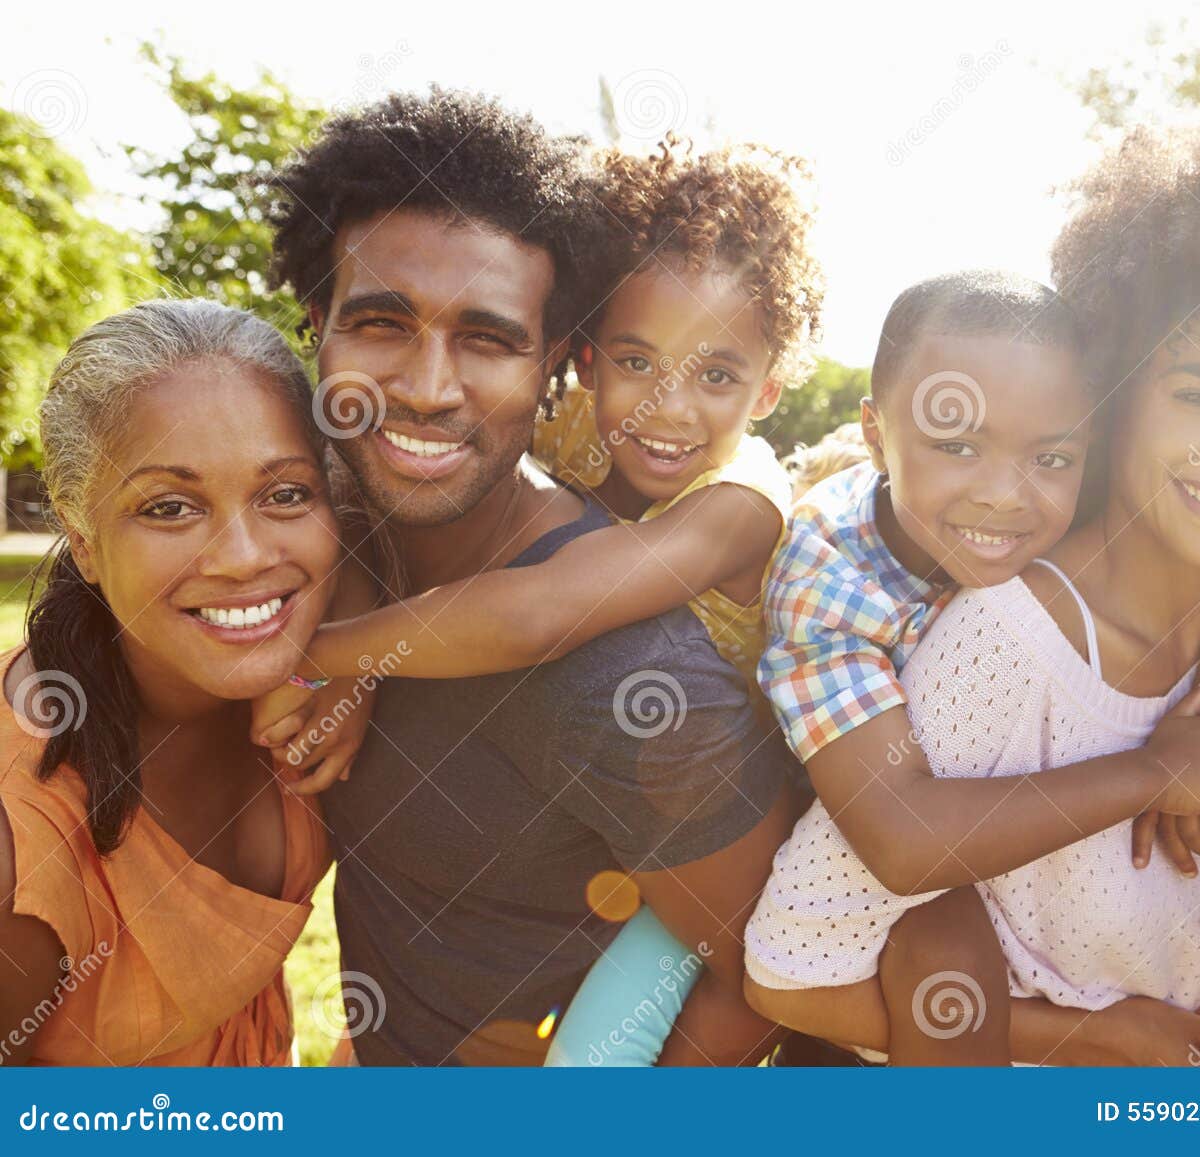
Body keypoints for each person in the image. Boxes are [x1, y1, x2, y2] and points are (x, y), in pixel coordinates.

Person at [266, 89, 802, 1067]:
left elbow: (762, 969)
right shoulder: (339, 510)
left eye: (488, 338)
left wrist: (317, 658)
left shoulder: (652, 646)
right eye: (381, 322)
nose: (429, 387)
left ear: (549, 360)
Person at [742, 255, 1200, 1065]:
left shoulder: (1084, 524)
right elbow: (898, 840)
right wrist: (1155, 774)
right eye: (957, 445)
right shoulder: (833, 588)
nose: (1007, 495)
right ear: (874, 434)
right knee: (932, 946)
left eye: (1051, 459)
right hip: (807, 827)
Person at [259, 138, 823, 699]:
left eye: (718, 376)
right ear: (586, 362)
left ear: (767, 392)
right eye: (636, 362)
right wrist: (353, 626)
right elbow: (363, 481)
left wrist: (315, 658)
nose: (670, 408)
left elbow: (538, 614)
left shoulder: (741, 505)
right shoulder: (575, 418)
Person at [0, 300, 342, 1065]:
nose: (244, 554)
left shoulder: (328, 687)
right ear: (83, 541)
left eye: (285, 492)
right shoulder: (21, 850)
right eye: (170, 506)